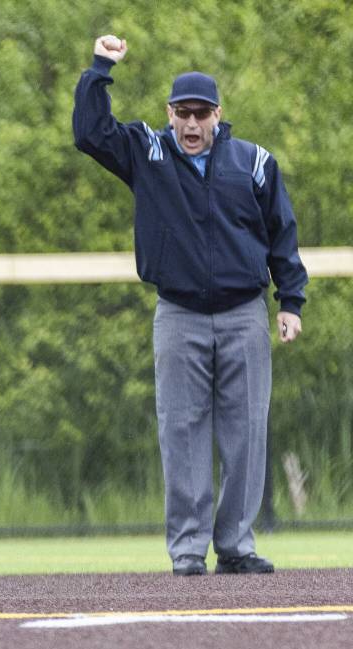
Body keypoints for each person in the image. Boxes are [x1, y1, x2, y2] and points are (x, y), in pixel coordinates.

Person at [73, 37, 308, 576]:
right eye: (183, 113)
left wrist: (290, 301)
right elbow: (89, 133)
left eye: (202, 114)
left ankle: (236, 545)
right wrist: (100, 68)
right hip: (177, 313)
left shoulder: (252, 162)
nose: (192, 124)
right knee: (180, 429)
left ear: (218, 115)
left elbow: (281, 234)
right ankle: (186, 551)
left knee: (246, 430)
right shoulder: (148, 153)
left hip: (244, 311)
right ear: (169, 114)